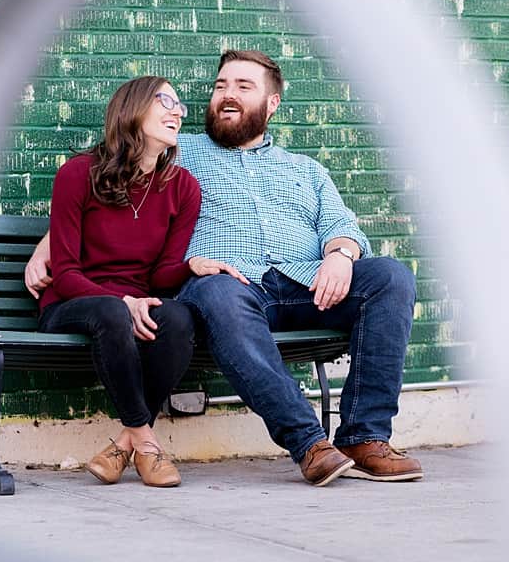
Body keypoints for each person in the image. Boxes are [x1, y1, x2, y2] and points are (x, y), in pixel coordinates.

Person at [27, 51, 422, 487]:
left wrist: (340, 255)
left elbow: (341, 226)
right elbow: (116, 176)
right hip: (229, 287)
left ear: (271, 104)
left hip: (307, 282)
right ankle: (309, 442)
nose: (227, 95)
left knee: (391, 277)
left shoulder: (306, 170)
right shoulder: (179, 151)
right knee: (216, 291)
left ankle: (363, 438)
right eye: (220, 87)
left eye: (243, 87)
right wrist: (49, 243)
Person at [35, 75, 216, 488]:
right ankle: (148, 445)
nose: (177, 111)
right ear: (132, 108)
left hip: (130, 306)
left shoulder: (183, 188)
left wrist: (192, 267)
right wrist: (125, 300)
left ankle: (124, 443)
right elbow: (64, 273)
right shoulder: (78, 174)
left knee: (180, 318)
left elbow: (160, 276)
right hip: (70, 304)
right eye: (165, 100)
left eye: (180, 106)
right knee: (113, 310)